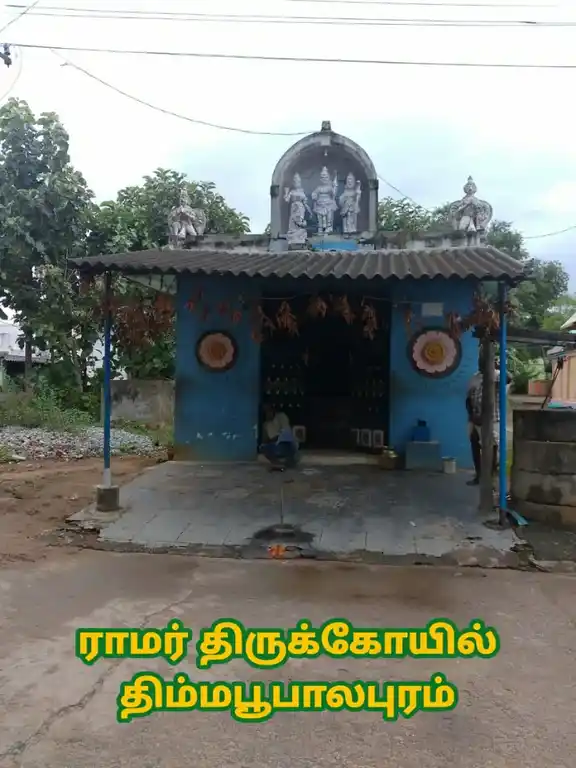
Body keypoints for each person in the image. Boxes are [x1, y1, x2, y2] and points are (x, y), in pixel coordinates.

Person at [465, 360, 511, 487]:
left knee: (492, 447)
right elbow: (469, 398)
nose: (481, 363)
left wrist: (498, 367)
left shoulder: (497, 375)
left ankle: (490, 477)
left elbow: (508, 379)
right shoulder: (475, 377)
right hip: (475, 419)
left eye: (484, 361)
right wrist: (472, 415)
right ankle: (479, 475)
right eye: (480, 361)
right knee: (474, 444)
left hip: (492, 419)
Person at [260, 405, 299, 469]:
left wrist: (277, 437)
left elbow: (286, 432)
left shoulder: (281, 416)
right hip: (277, 445)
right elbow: (268, 439)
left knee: (292, 444)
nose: (267, 414)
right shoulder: (266, 424)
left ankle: (291, 461)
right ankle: (277, 463)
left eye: (269, 411)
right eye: (265, 413)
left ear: (273, 411)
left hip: (287, 443)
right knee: (263, 447)